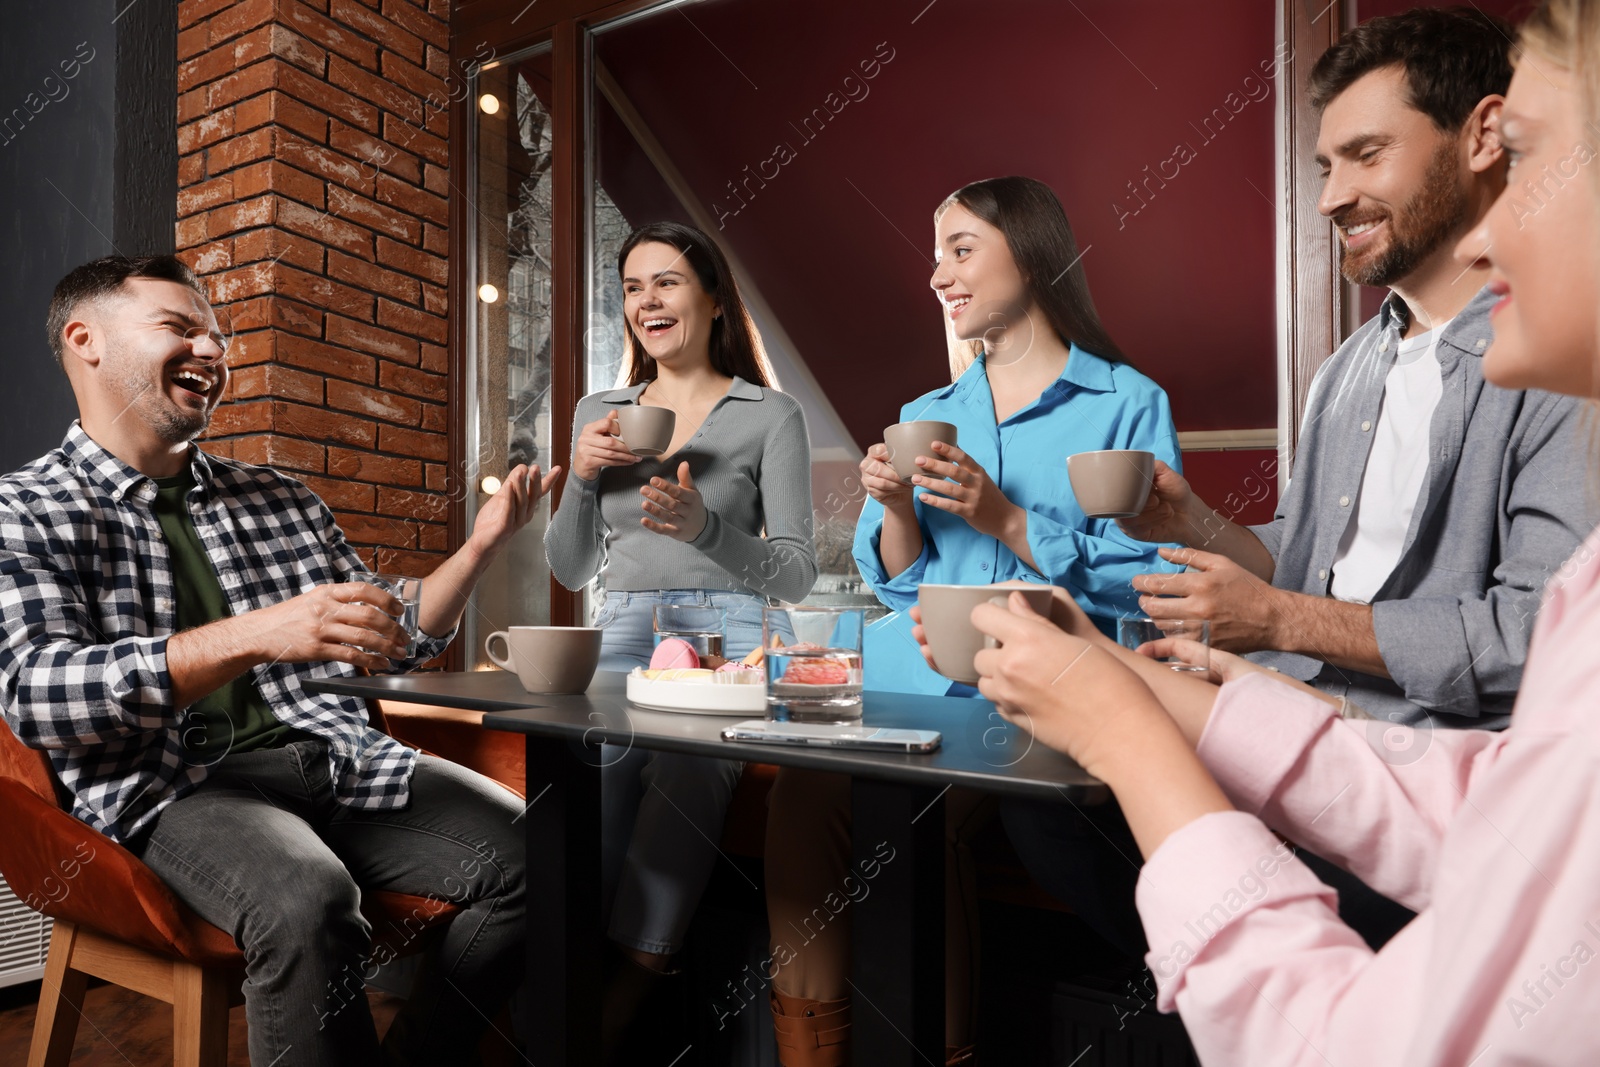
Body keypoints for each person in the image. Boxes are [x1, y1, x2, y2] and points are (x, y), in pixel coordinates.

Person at [927, 1, 1600, 1059]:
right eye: (1324, 163)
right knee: (1041, 805)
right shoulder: (1350, 369)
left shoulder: (1550, 363)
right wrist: (1193, 525)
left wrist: (1262, 627)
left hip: (1409, 751)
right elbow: (1302, 553)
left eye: (1364, 154)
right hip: (1309, 726)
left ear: (1479, 141)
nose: (1330, 195)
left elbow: (1519, 637)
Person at [0, 255, 558, 1065]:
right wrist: (262, 631)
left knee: (545, 855)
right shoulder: (24, 509)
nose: (213, 351)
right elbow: (40, 697)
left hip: (338, 761)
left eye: (218, 337)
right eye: (181, 327)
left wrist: (480, 546)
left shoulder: (281, 498)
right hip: (176, 789)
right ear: (86, 340)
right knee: (307, 897)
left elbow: (396, 634)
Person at [762, 176, 1181, 1066]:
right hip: (918, 677)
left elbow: (1153, 580)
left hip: (1041, 693)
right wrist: (898, 508)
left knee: (914, 816)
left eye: (960, 249)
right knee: (800, 791)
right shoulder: (927, 414)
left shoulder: (1126, 400)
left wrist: (1010, 522)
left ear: (1029, 252)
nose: (937, 276)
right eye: (936, 254)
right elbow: (900, 585)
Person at [542, 221, 817, 1053]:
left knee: (693, 767)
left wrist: (707, 530)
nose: (646, 301)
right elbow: (568, 563)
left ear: (710, 297)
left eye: (665, 282)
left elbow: (797, 573)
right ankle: (562, 965)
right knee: (591, 764)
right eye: (632, 287)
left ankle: (630, 983)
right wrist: (583, 482)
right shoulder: (603, 410)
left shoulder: (771, 414)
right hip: (623, 623)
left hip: (738, 629)